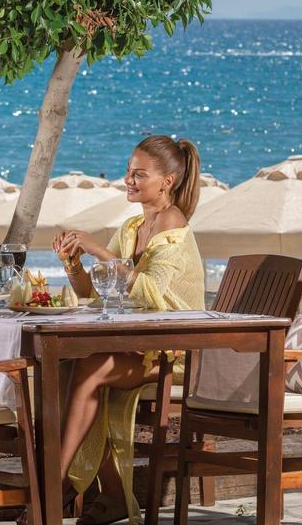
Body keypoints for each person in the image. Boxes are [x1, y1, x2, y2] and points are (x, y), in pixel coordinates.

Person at [52, 135, 205, 524]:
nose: (129, 181)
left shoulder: (173, 223)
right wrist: (74, 263)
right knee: (65, 366)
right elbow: (95, 293)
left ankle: (52, 488)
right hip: (139, 345)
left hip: (175, 352)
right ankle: (112, 494)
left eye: (139, 174)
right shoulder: (133, 226)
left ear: (167, 181)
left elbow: (151, 291)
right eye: (128, 172)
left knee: (90, 368)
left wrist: (99, 250)